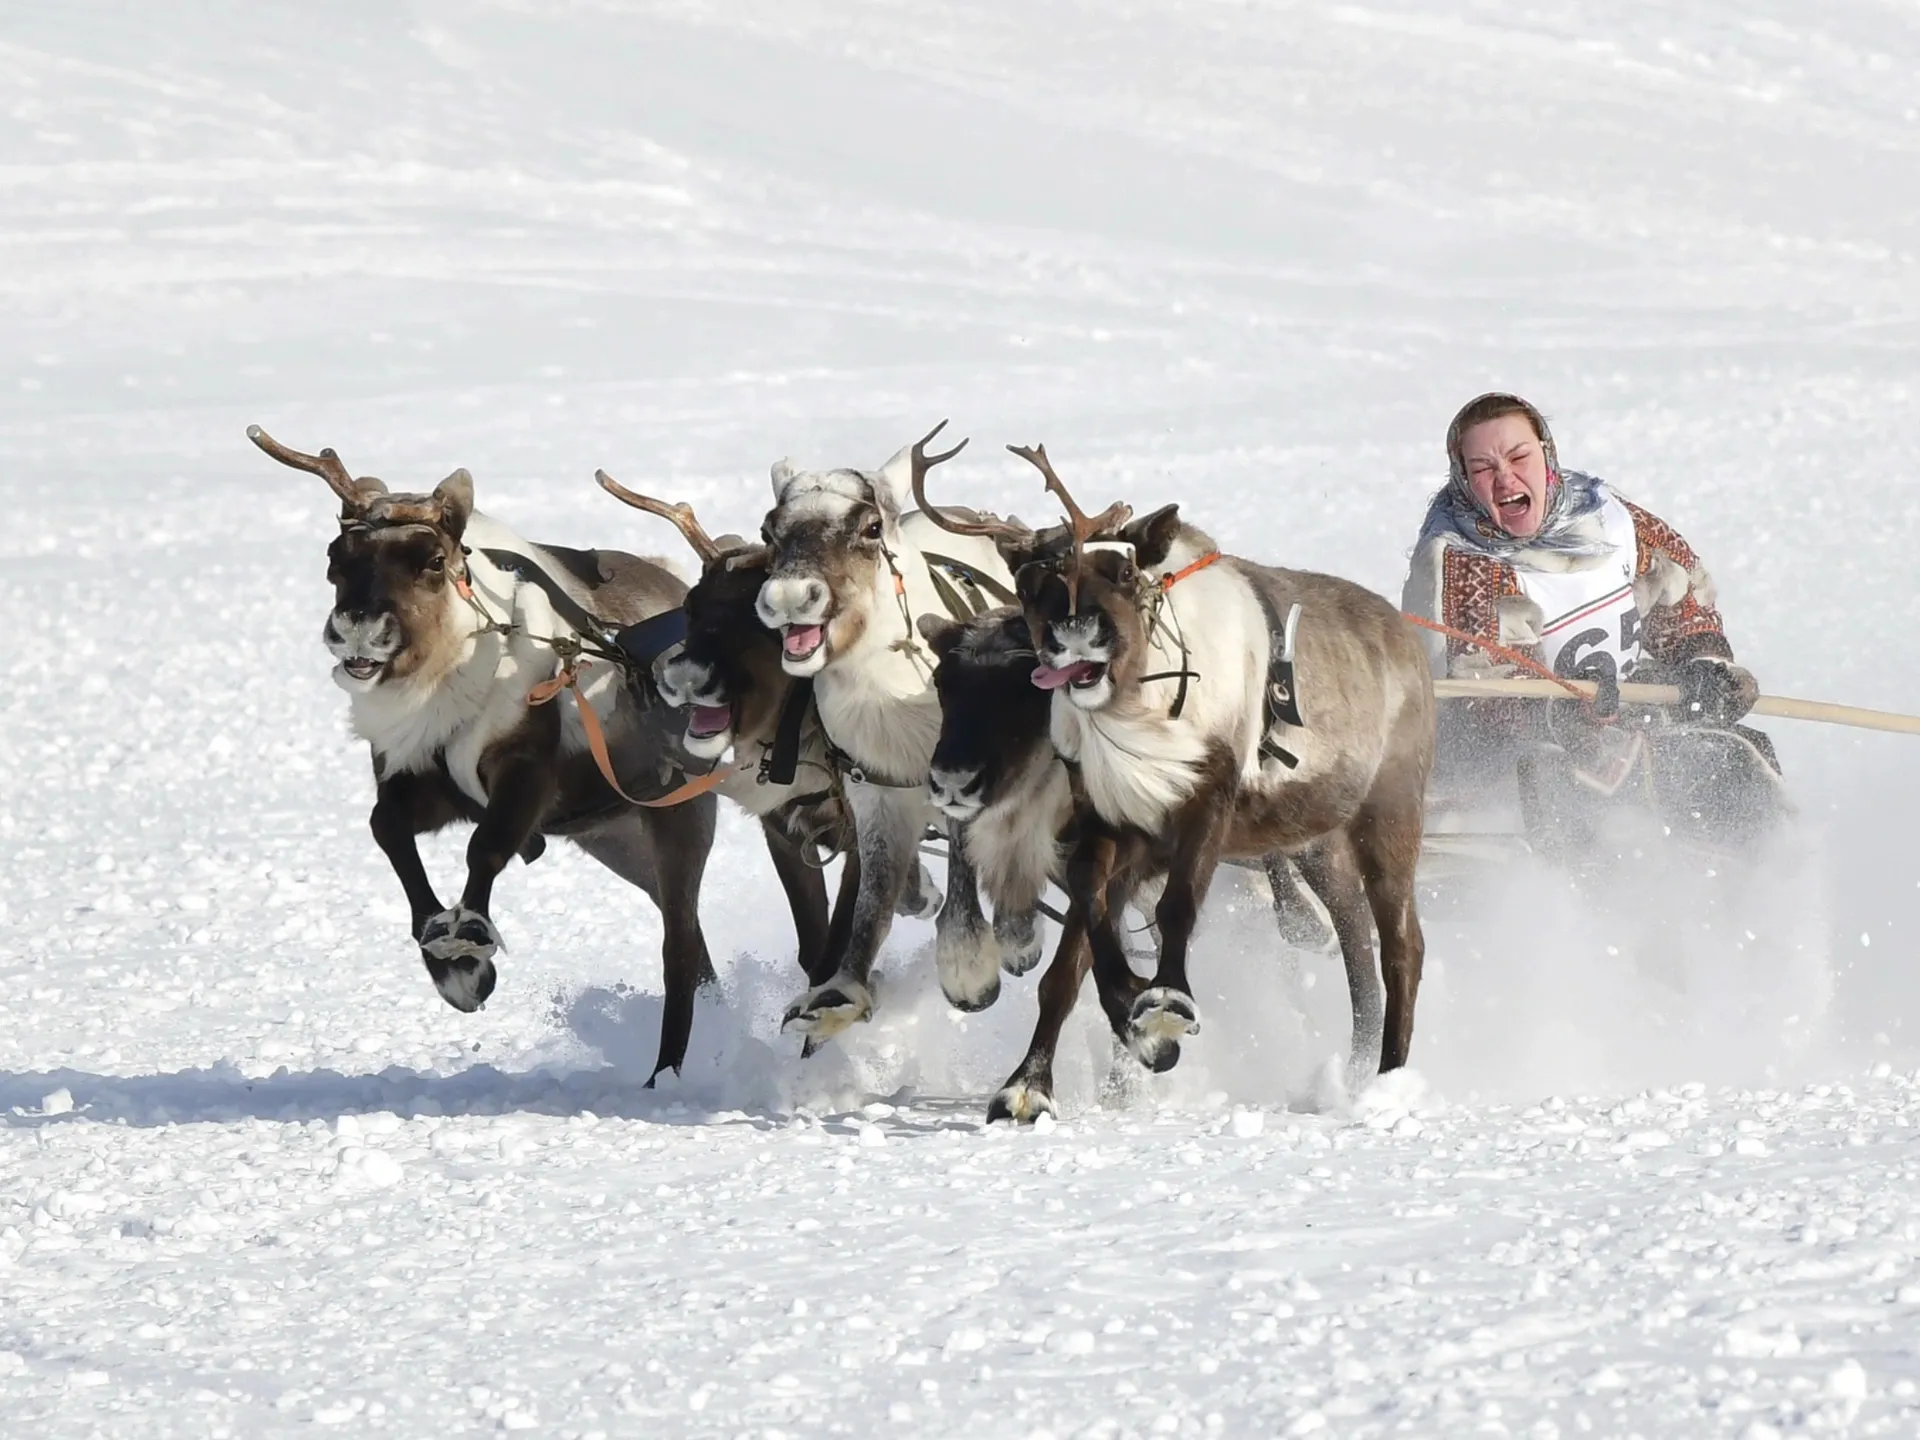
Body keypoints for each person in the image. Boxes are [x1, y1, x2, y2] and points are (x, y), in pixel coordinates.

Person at [1402, 392, 1784, 857]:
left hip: (1623, 721)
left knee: (1738, 758)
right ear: (1464, 480)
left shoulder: (1604, 515)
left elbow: (1680, 594)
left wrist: (1700, 667)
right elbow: (1494, 695)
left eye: (1518, 456)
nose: (1505, 478)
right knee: (1568, 782)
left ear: (1547, 455)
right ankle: (1590, 917)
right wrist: (1570, 704)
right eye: (1483, 468)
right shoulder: (1466, 562)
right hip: (1512, 765)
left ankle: (1773, 890)